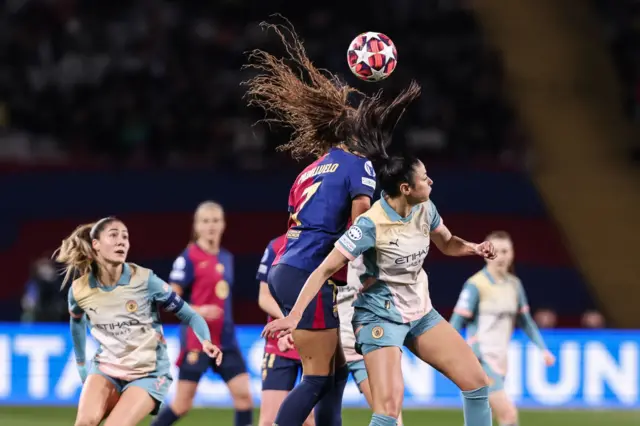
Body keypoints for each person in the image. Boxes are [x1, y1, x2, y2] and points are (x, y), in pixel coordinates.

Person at [244, 19, 421, 426]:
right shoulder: (359, 166)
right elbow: (358, 225)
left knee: (335, 374)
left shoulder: (309, 171)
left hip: (287, 266)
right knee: (318, 378)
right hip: (311, 272)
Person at [264, 149, 497, 426]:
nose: (431, 182)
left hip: (421, 314)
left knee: (477, 383)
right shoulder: (369, 225)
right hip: (380, 318)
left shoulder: (425, 208)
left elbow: (446, 243)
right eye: (424, 178)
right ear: (405, 188)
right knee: (388, 409)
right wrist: (294, 315)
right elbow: (324, 269)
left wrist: (474, 248)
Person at [59, 217, 222, 426]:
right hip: (106, 369)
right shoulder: (80, 290)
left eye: (125, 237)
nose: (121, 241)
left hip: (148, 374)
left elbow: (189, 314)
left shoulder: (144, 280)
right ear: (95, 245)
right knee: (84, 423)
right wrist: (82, 364)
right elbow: (77, 322)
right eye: (114, 235)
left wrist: (206, 340)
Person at [153, 201, 253, 426]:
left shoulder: (227, 257)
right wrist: (198, 310)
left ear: (223, 225)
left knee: (244, 398)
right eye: (206, 221)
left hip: (226, 341)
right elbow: (168, 299)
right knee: (182, 404)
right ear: (197, 226)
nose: (211, 226)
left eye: (215, 221)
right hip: (197, 340)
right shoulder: (188, 258)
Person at [450, 231, 556, 426]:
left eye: (505, 251)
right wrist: (453, 354)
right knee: (508, 414)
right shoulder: (475, 285)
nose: (501, 256)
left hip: (500, 359)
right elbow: (456, 322)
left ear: (513, 253)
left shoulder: (514, 285)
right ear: (485, 254)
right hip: (481, 358)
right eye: (495, 251)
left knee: (482, 419)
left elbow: (526, 322)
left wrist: (543, 349)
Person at [257, 234, 315, 426]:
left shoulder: (323, 243)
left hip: (313, 342)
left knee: (310, 420)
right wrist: (288, 322)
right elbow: (264, 297)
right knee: (268, 421)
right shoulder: (276, 246)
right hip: (279, 342)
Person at [340, 258, 405, 425]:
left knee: (390, 416)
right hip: (329, 349)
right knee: (310, 419)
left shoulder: (373, 259)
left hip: (363, 349)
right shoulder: (325, 260)